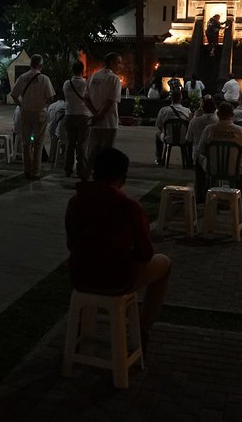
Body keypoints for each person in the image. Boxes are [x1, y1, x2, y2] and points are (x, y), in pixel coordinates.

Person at [65, 147, 172, 351]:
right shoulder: (128, 206)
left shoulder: (76, 201)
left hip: (79, 276)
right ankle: (143, 328)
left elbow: (71, 243)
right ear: (122, 177)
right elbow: (145, 252)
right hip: (117, 279)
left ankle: (80, 330)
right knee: (164, 264)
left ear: (94, 173)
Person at [10, 54, 56, 180]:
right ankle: (36, 172)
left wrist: (21, 105)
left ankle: (27, 170)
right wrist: (44, 104)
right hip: (40, 113)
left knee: (26, 143)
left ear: (30, 64)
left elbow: (14, 95)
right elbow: (51, 97)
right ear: (41, 65)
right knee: (38, 143)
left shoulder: (23, 77)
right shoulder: (44, 79)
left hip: (26, 112)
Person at [195, 102, 242, 203]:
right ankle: (239, 194)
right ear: (232, 115)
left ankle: (201, 194)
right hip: (234, 170)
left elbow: (201, 150)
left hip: (212, 168)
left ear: (218, 114)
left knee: (198, 160)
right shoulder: (240, 130)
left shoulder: (209, 129)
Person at [87, 52, 122, 176]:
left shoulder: (94, 76)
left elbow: (86, 98)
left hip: (95, 121)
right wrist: (100, 115)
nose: (120, 66)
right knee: (106, 151)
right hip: (109, 121)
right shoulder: (114, 78)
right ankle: (103, 176)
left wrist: (95, 114)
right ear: (111, 63)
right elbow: (111, 101)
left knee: (93, 150)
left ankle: (87, 173)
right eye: (118, 63)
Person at [62, 61, 94, 180]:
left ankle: (68, 169)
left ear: (72, 70)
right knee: (82, 145)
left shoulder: (66, 84)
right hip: (83, 115)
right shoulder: (86, 84)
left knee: (70, 143)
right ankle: (81, 170)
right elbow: (90, 98)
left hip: (69, 115)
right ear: (83, 70)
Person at [185, 96, 218, 188]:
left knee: (199, 156)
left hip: (199, 154)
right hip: (217, 155)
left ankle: (200, 189)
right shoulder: (218, 122)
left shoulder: (195, 121)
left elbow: (188, 139)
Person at [155, 91, 192, 167]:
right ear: (181, 98)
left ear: (171, 98)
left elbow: (159, 125)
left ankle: (159, 158)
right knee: (191, 137)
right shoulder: (187, 111)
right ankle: (190, 160)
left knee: (157, 134)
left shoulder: (163, 110)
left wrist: (166, 131)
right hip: (184, 139)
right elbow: (191, 126)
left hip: (168, 138)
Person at [47, 94, 67, 163]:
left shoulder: (51, 106)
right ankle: (65, 156)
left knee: (54, 141)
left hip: (52, 130)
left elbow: (49, 119)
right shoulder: (66, 105)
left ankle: (52, 157)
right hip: (60, 131)